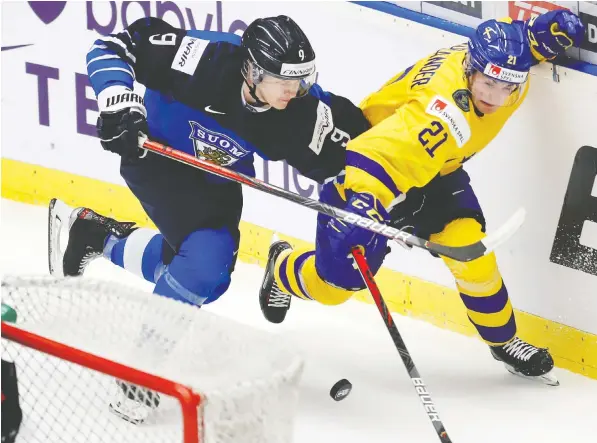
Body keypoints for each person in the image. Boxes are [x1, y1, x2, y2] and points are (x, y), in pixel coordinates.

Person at [49, 15, 369, 422]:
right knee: (202, 266)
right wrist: (118, 100)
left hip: (216, 182)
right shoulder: (202, 59)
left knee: (207, 281)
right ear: (251, 70)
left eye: (301, 80)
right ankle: (138, 373)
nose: (294, 90)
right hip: (158, 161)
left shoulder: (300, 110)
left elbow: (362, 150)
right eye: (283, 80)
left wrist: (400, 195)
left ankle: (98, 236)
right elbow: (113, 48)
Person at [259, 11, 585, 385]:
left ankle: (503, 341)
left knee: (470, 251)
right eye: (488, 85)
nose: (496, 98)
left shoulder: (502, 68)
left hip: (434, 170)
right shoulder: (442, 114)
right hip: (365, 175)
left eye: (507, 87)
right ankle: (281, 268)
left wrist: (537, 37)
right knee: (335, 288)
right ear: (470, 69)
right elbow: (377, 156)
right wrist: (365, 204)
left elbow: (518, 48)